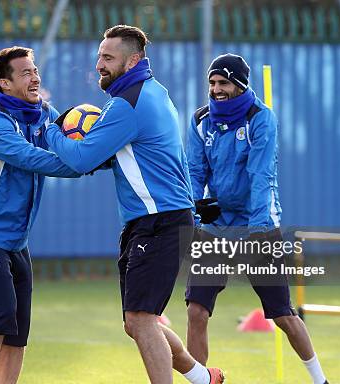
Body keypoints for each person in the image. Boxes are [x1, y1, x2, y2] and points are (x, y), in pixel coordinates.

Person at [44, 25, 224, 384]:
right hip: (151, 222)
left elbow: (80, 160)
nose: (99, 65)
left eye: (108, 58)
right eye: (99, 57)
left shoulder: (128, 104)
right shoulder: (152, 92)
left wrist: (51, 125)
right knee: (136, 323)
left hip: (160, 222)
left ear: (134, 60)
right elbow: (121, 156)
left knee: (142, 320)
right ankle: (204, 378)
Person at [185, 53, 329, 384]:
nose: (216, 89)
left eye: (223, 83)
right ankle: (200, 380)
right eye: (212, 83)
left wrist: (259, 230)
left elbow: (261, 176)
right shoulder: (200, 121)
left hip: (258, 221)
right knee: (196, 310)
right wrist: (195, 209)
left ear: (240, 84)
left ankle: (320, 380)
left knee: (282, 314)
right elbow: (194, 170)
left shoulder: (261, 118)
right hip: (216, 224)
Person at [0, 46, 80, 384]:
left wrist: (95, 147)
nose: (35, 76)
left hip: (15, 239)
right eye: (25, 72)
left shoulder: (43, 113)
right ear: (5, 84)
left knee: (18, 331)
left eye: (34, 70)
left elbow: (70, 140)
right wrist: (86, 162)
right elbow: (33, 158)